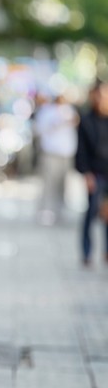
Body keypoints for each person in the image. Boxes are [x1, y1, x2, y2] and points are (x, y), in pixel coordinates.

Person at [75, 81, 108, 266]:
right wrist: (86, 173)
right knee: (92, 212)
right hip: (95, 173)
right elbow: (81, 151)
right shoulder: (86, 120)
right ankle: (87, 252)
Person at [33, 93, 78, 226]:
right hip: (50, 154)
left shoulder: (69, 111)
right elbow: (39, 130)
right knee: (48, 184)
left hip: (66, 155)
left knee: (62, 185)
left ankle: (60, 211)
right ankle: (45, 211)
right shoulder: (46, 112)